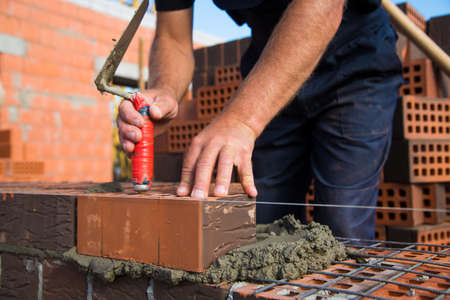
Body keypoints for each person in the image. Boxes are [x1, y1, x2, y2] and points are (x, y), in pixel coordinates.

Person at [117, 0, 404, 240]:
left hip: (353, 59)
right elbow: (173, 37)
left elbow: (323, 4)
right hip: (269, 66)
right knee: (263, 226)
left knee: (341, 227)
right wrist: (166, 90)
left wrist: (242, 118)